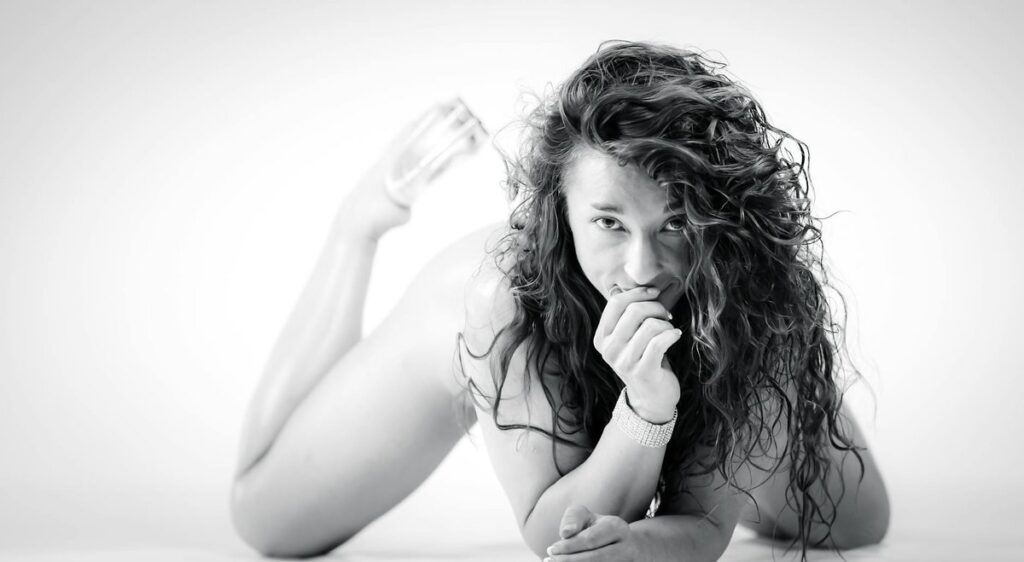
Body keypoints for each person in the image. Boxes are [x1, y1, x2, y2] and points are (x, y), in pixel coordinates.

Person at [230, 40, 890, 561]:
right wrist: (645, 412)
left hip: (729, 316)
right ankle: (360, 222)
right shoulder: (500, 296)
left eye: (676, 222)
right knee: (266, 520)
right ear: (559, 208)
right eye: (609, 222)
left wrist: (652, 534)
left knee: (855, 524)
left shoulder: (750, 289)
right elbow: (551, 531)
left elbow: (706, 528)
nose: (641, 267)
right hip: (454, 336)